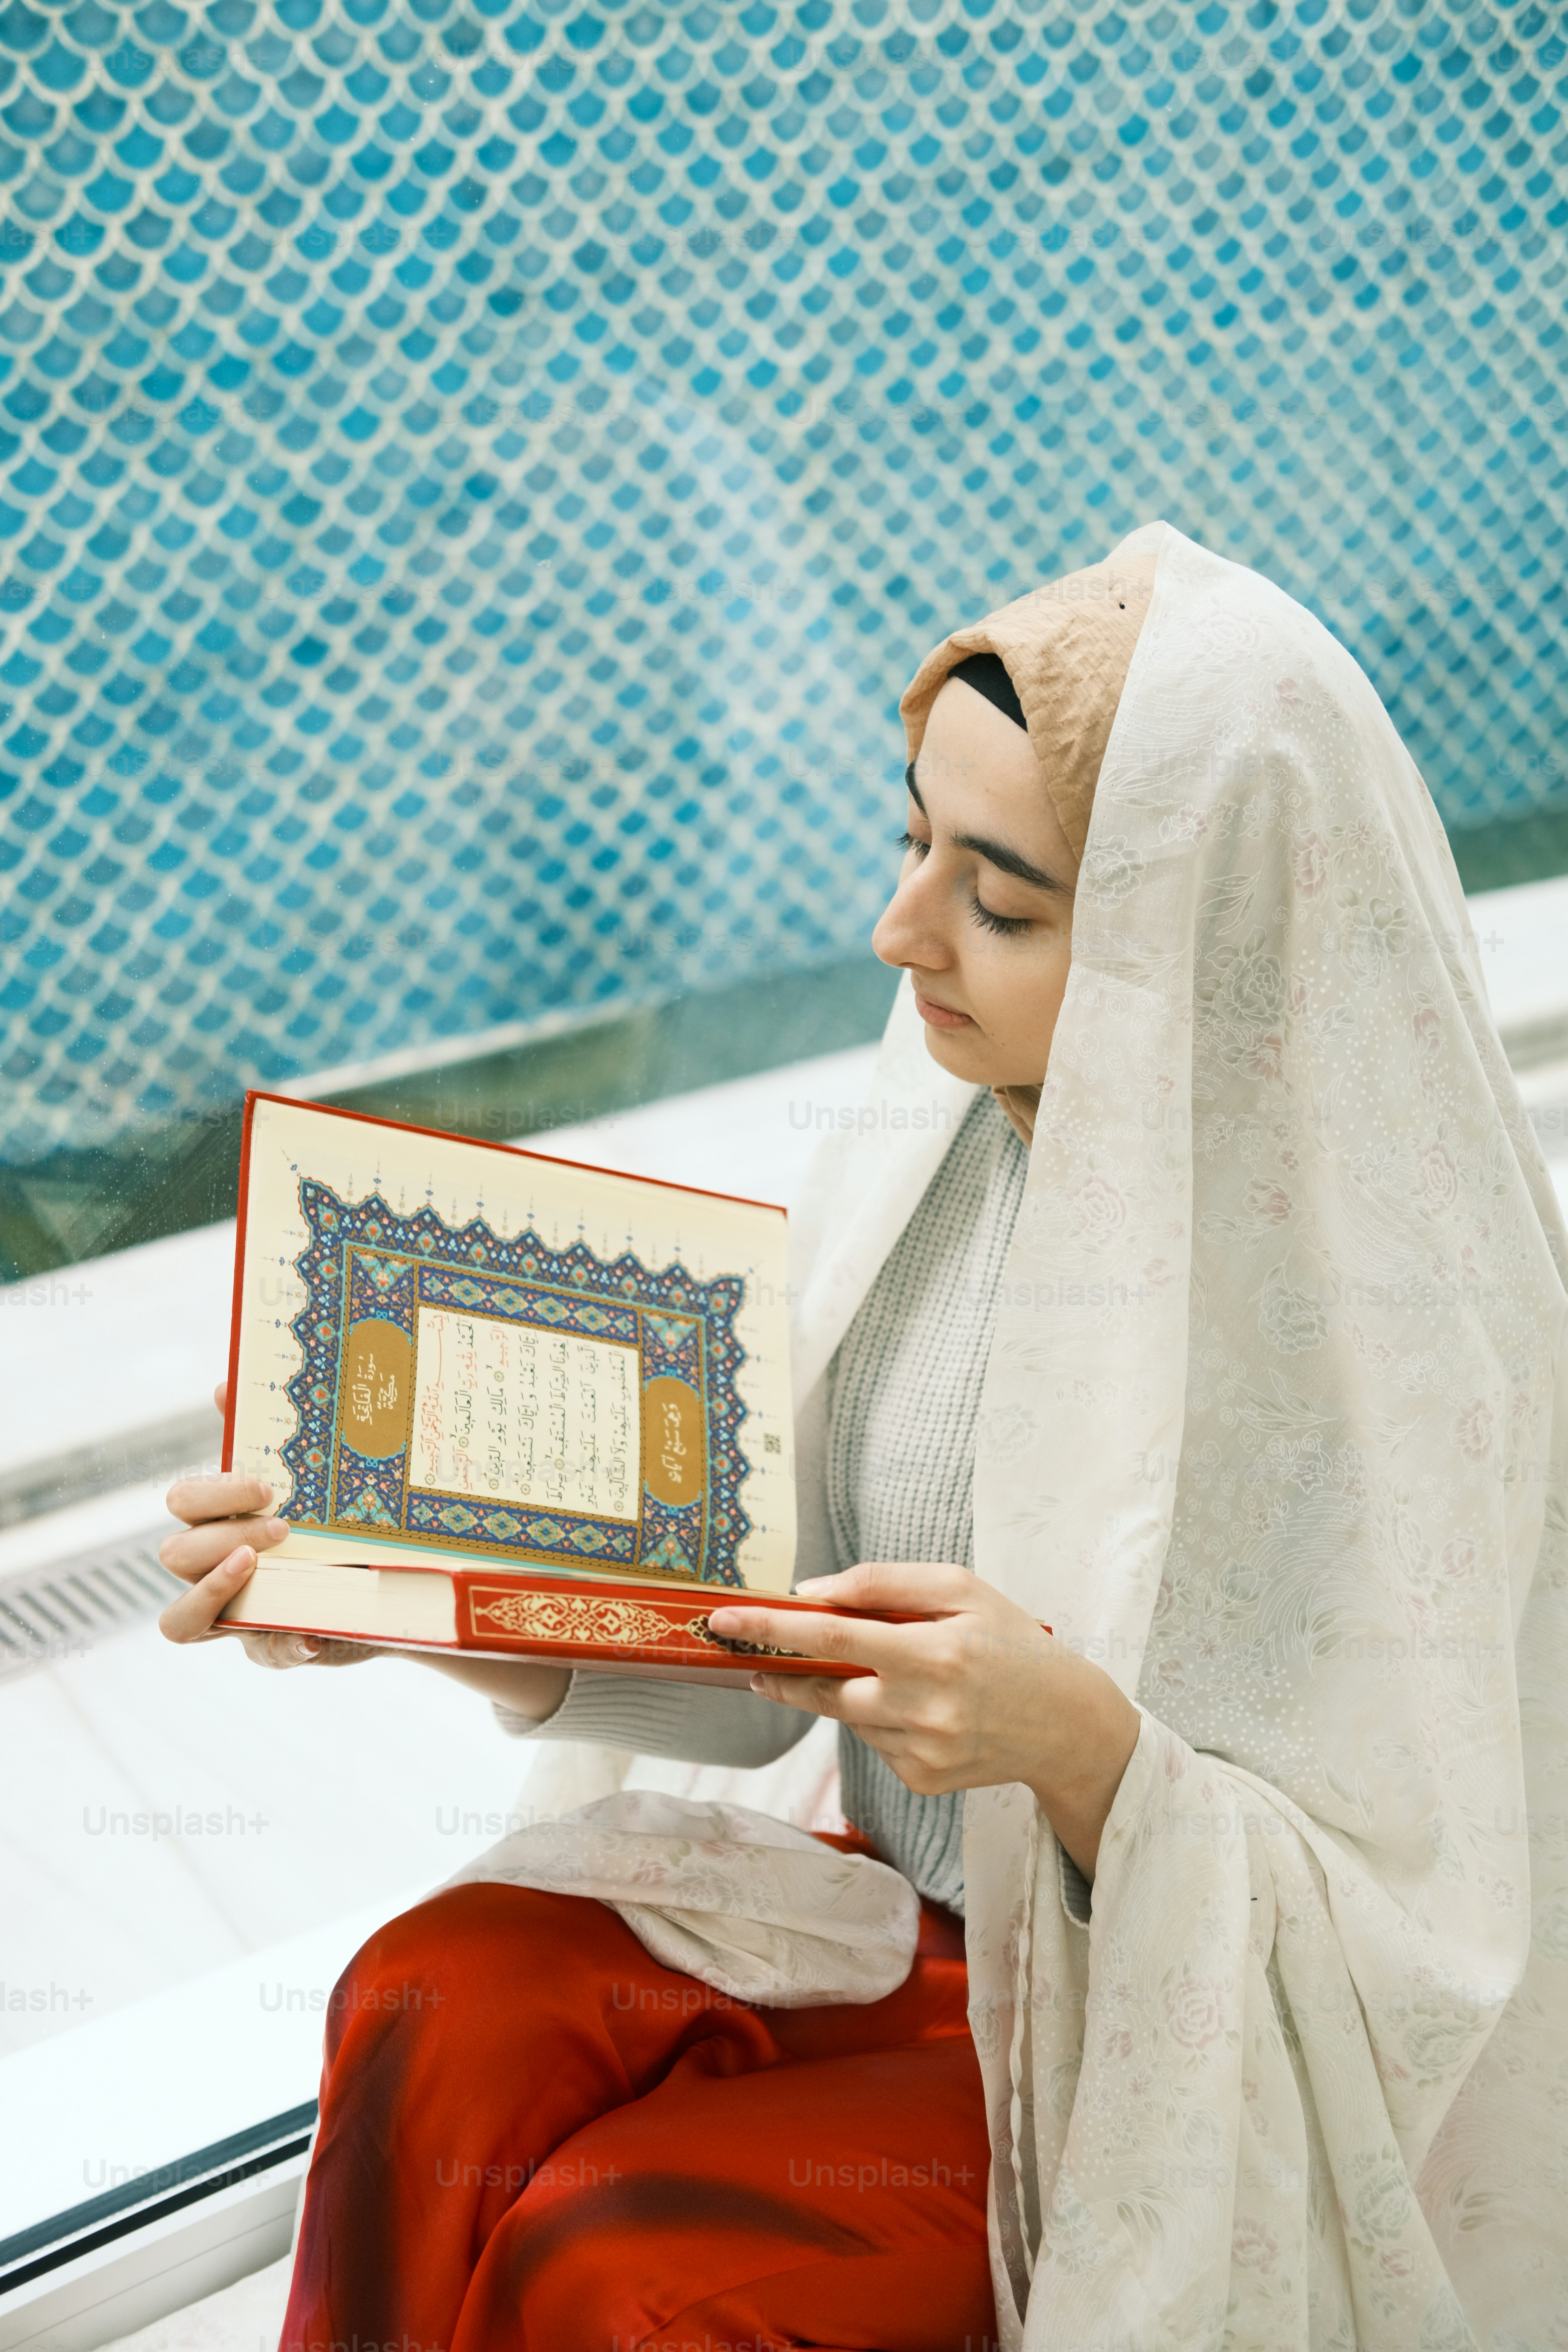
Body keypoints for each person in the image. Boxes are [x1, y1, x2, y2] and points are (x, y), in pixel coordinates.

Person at [159, 521, 1568, 2351]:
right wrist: (422, 1610)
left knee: (624, 2279)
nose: (895, 934)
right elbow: (775, 1659)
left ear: (1192, 931)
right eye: (911, 840)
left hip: (1144, 2041)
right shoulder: (943, 1145)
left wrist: (1081, 1754)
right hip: (902, 1929)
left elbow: (1427, 1956)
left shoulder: (1368, 1315)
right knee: (436, 2006)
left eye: (1000, 900)